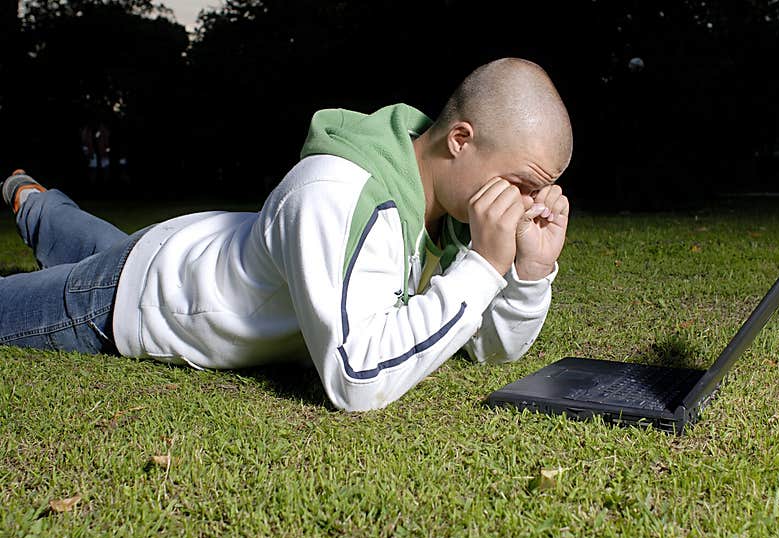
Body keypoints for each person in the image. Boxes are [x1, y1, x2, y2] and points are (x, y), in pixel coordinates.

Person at [1, 57, 573, 411]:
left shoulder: (445, 198)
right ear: (460, 140)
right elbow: (356, 379)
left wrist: (527, 273)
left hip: (179, 250)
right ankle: (28, 197)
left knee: (79, 237)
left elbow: (483, 349)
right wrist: (481, 269)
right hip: (141, 298)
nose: (528, 204)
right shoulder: (339, 192)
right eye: (523, 183)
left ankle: (30, 197)